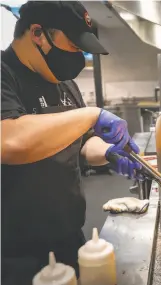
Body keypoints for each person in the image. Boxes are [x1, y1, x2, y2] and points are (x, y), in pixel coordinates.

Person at [1, 1, 141, 284]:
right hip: (15, 251)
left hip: (70, 235)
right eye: (74, 46)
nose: (78, 56)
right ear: (38, 33)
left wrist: (111, 154)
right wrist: (91, 114)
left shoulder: (65, 84)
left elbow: (82, 145)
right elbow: (9, 141)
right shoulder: (5, 75)